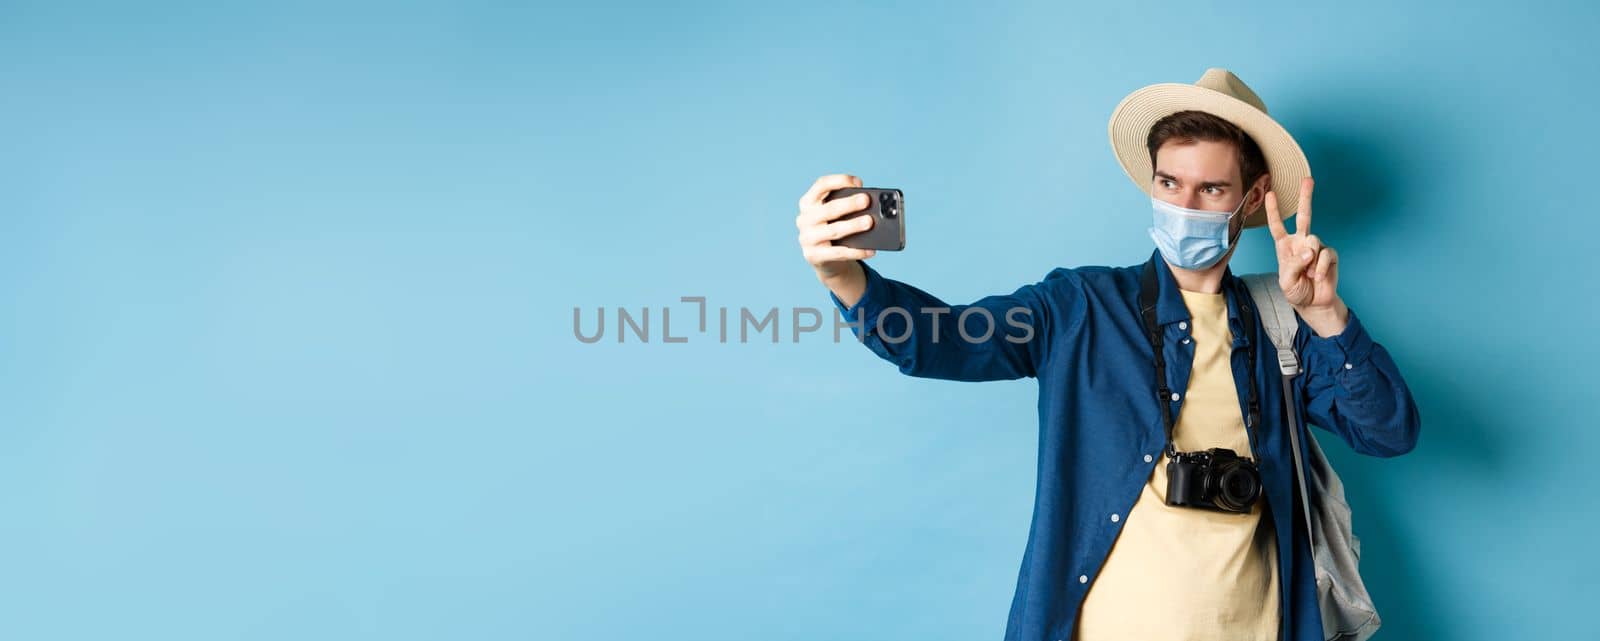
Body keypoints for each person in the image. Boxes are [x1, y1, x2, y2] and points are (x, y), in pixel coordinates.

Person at [792, 68, 1421, 641]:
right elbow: (939, 339)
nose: (1183, 208)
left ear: (1253, 198)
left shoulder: (1280, 324)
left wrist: (1325, 316)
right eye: (1169, 183)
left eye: (1210, 190)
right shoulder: (1079, 305)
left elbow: (1387, 432)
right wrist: (844, 278)